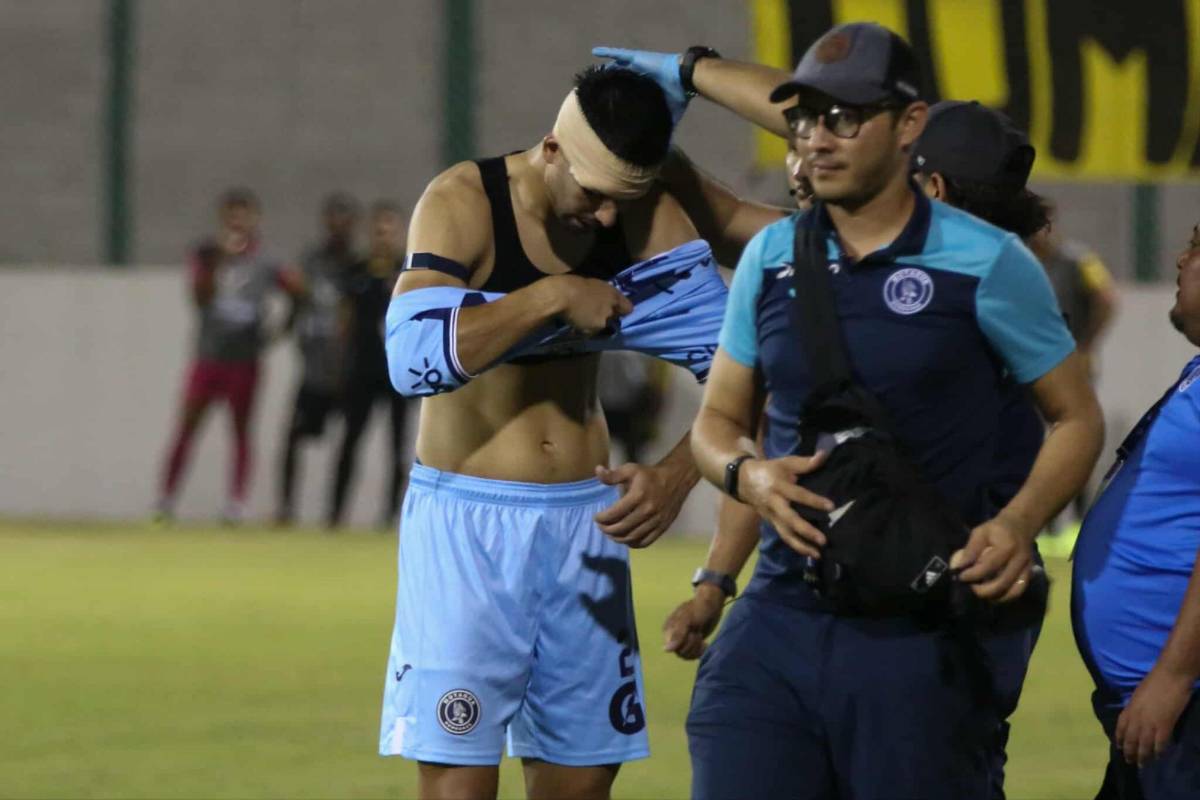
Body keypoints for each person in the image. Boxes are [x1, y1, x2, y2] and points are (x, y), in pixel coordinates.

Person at [610, 24, 1104, 798]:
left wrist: (1017, 524)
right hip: (778, 621)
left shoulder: (989, 264)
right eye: (804, 120)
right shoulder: (773, 260)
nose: (814, 139)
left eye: (843, 118)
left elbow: (1076, 418)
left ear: (911, 128)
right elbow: (721, 425)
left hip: (916, 630)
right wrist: (747, 482)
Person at [378, 66, 725, 800]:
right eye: (593, 196)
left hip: (585, 531)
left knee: (580, 788)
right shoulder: (462, 202)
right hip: (467, 530)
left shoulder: (643, 217)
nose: (604, 220)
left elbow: (754, 374)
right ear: (551, 150)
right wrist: (553, 297)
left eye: (620, 202)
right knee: (457, 789)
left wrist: (676, 472)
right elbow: (411, 360)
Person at [1071, 222, 1200, 799]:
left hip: (1180, 707)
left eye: (1197, 246)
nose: (1180, 258)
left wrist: (1173, 678)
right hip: (1155, 710)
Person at [155, 188, 303, 525]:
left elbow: (297, 291)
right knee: (187, 427)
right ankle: (165, 499)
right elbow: (199, 299)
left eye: (244, 214)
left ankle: (235, 503)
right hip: (208, 357)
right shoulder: (206, 255)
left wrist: (280, 330)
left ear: (255, 219)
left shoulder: (266, 263)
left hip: (244, 360)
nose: (238, 222)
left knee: (240, 431)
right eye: (232, 215)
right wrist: (214, 265)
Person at [275, 192, 360, 526]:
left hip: (346, 369)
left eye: (344, 219)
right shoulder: (311, 261)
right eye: (332, 218)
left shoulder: (357, 267)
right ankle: (286, 509)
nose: (337, 226)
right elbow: (297, 302)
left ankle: (335, 515)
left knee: (347, 442)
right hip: (313, 369)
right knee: (294, 437)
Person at [329, 200, 410, 529]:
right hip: (362, 371)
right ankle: (335, 514)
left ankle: (390, 516)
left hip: (398, 374)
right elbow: (344, 321)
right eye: (378, 230)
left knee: (398, 445)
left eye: (390, 230)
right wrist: (340, 363)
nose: (384, 236)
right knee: (351, 440)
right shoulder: (356, 271)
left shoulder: (410, 273)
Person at [597, 351, 669, 465]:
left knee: (633, 456)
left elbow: (658, 378)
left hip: (633, 405)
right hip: (602, 403)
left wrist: (652, 414)